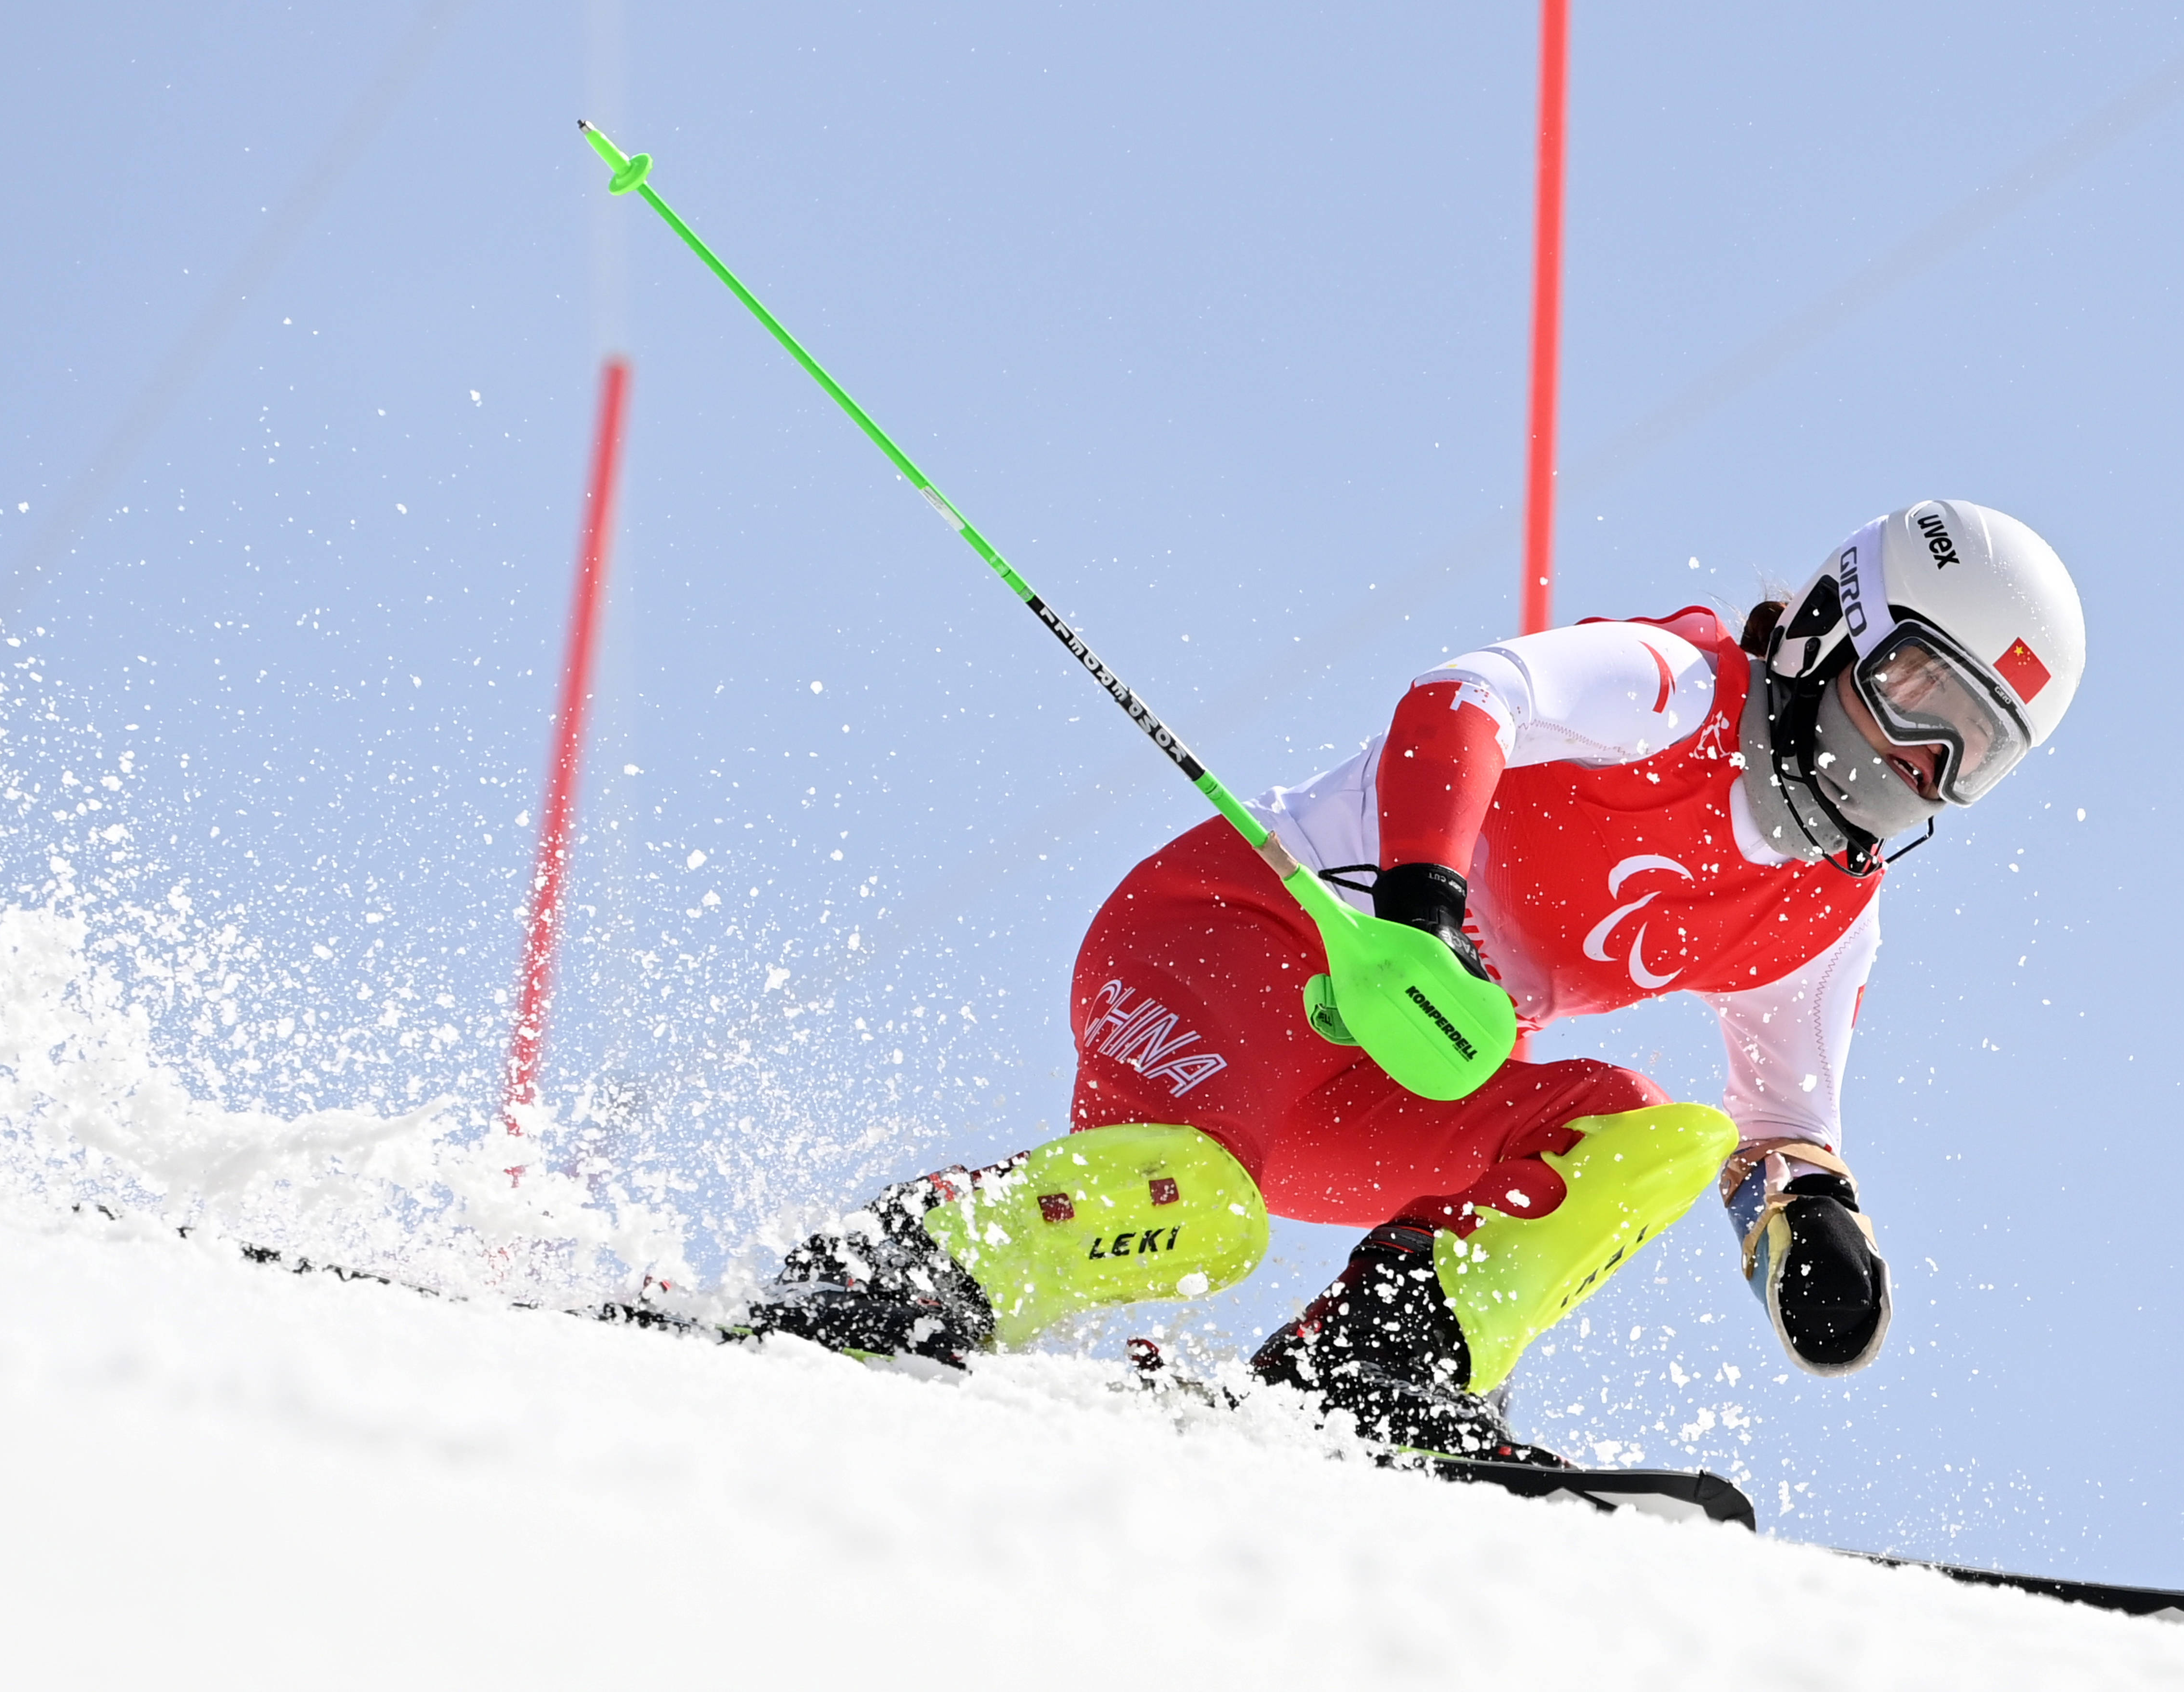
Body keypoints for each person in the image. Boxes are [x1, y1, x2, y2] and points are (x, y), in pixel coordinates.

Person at [751, 500, 2085, 1459]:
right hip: (1236, 943)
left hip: (1385, 1079)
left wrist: (1810, 1234)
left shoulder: (1825, 915)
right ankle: (912, 1266)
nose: (1919, 762)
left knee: (1657, 1136)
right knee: (1206, 1218)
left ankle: (1379, 1360)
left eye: (1971, 753)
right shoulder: (1682, 691)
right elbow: (1468, 698)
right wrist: (1425, 895)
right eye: (1918, 691)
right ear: (1829, 629)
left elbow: (1783, 1133)